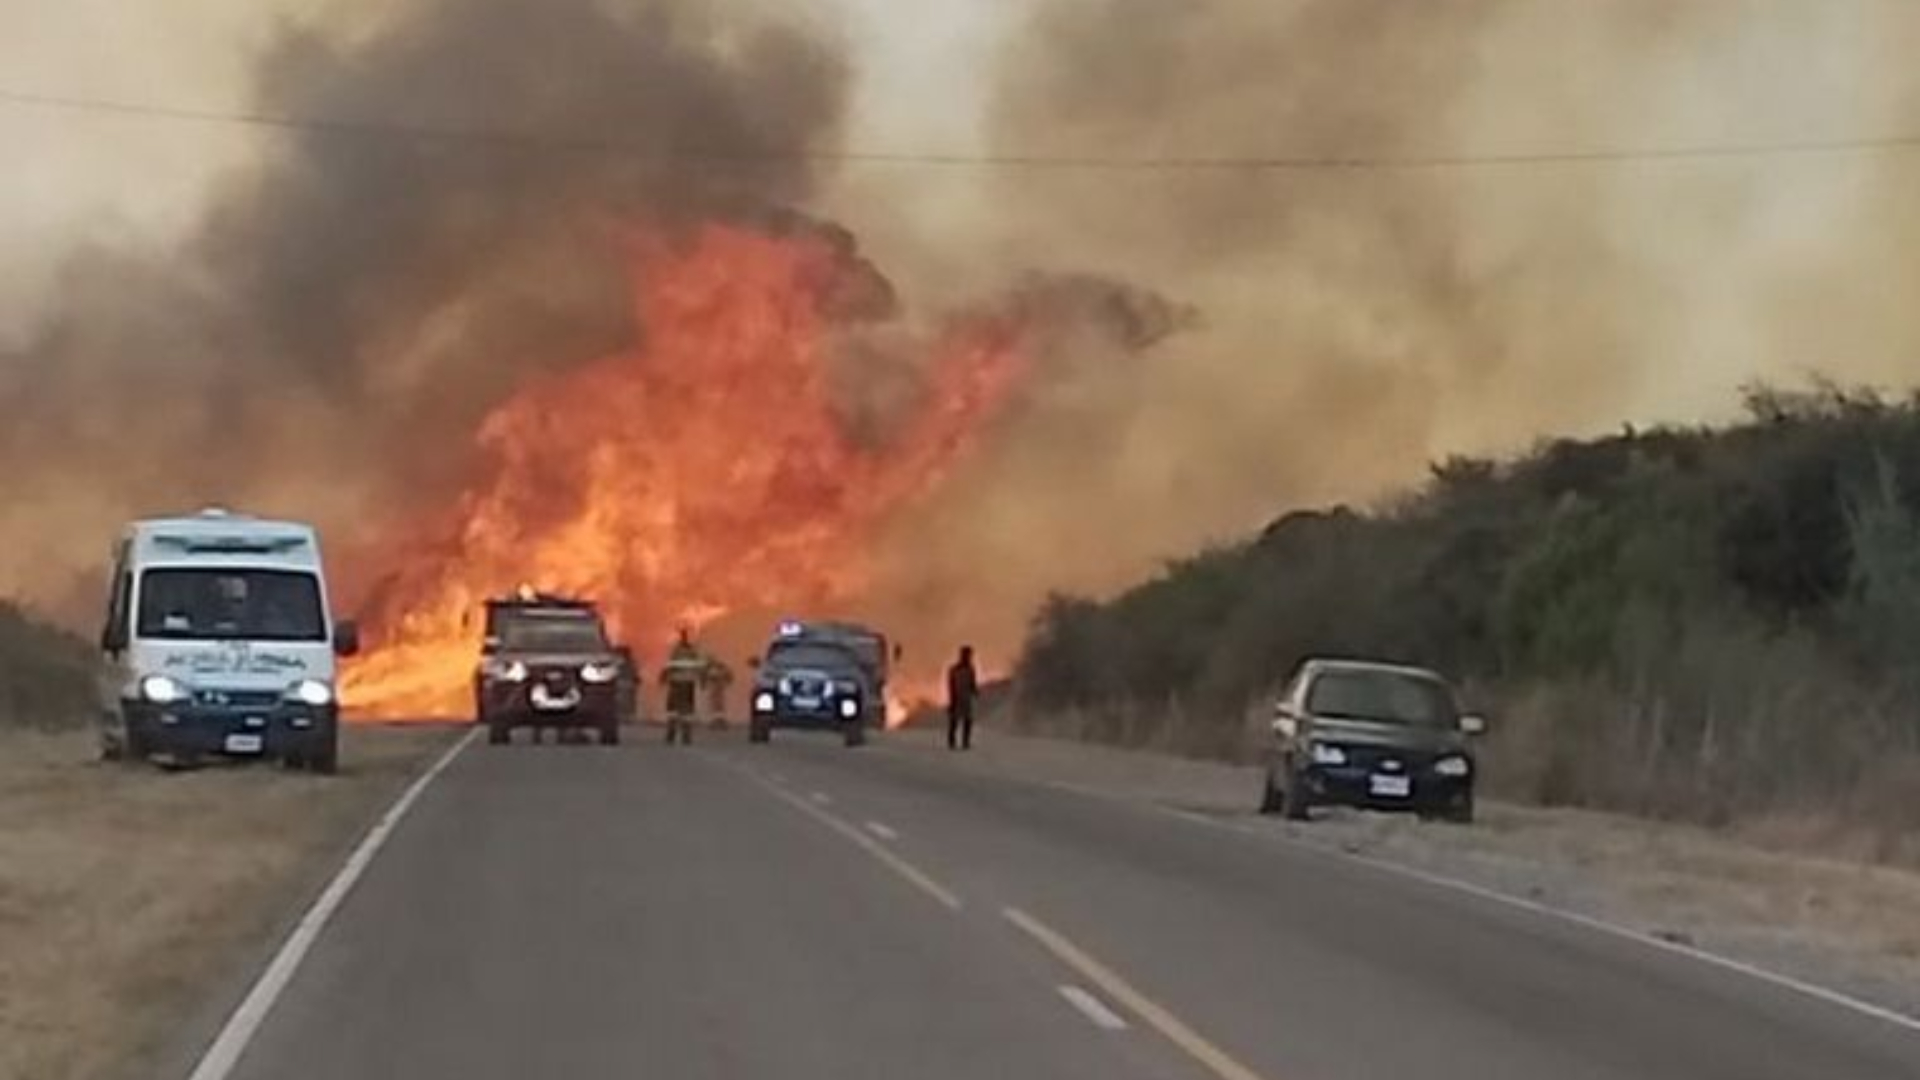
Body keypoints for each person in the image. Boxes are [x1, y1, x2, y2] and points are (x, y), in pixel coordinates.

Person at [663, 628, 706, 746]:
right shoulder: (693, 652)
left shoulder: (676, 651)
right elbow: (699, 667)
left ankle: (671, 735)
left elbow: (669, 666)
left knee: (673, 710)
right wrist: (702, 681)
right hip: (688, 683)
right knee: (686, 710)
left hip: (676, 683)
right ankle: (686, 736)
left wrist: (663, 678)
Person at [946, 645, 979, 751]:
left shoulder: (971, 669)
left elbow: (972, 683)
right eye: (966, 654)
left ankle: (965, 742)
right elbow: (950, 684)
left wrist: (975, 691)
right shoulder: (954, 669)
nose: (968, 657)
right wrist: (952, 698)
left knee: (967, 720)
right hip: (957, 697)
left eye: (969, 655)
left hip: (966, 698)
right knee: (955, 720)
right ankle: (952, 741)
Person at [704, 657, 733, 730]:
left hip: (718, 689)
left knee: (717, 705)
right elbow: (729, 677)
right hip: (717, 689)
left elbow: (728, 677)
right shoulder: (717, 669)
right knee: (716, 705)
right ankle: (718, 721)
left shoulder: (714, 670)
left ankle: (718, 721)